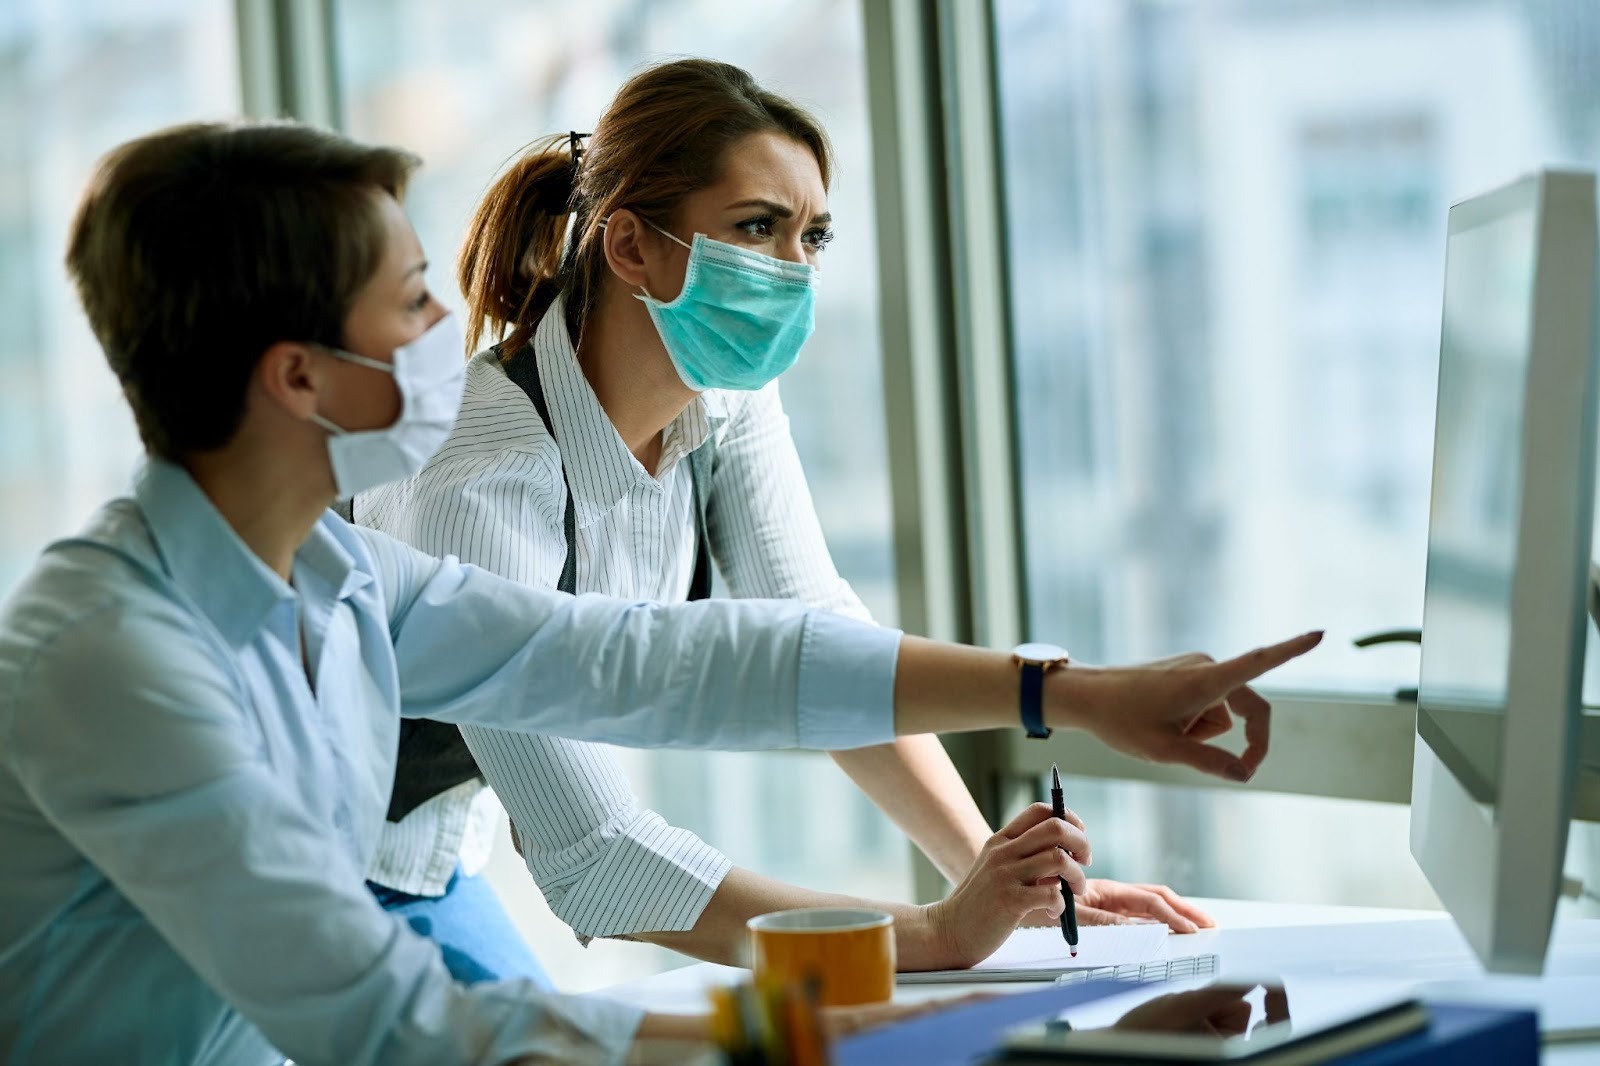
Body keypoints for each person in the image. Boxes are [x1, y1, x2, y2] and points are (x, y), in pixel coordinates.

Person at [0, 117, 1320, 1065]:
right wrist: (947, 1013)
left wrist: (1072, 696)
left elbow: (681, 659)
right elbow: (414, 1026)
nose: (445, 345)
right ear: (301, 379)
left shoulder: (342, 578)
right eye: (409, 308)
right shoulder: (119, 657)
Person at [358, 57, 1216, 977]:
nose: (793, 270)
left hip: (431, 860)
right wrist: (932, 934)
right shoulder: (480, 478)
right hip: (315, 858)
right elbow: (595, 855)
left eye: (813, 236)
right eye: (756, 228)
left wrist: (1006, 889)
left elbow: (819, 642)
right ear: (631, 248)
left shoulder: (722, 394)